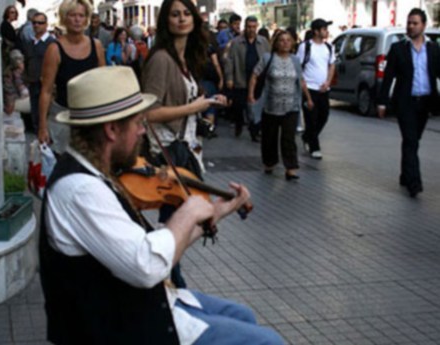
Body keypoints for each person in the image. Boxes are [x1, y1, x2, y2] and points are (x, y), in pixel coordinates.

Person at [39, 65, 285, 345]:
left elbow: (157, 248)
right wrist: (189, 210)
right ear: (111, 130)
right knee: (268, 342)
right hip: (125, 327)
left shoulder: (96, 173)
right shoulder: (80, 190)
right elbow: (147, 265)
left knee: (242, 315)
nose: (143, 132)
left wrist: (215, 212)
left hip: (146, 304)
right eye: (137, 124)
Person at [142, 0, 227, 288]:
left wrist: (207, 103)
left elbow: (186, 102)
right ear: (166, 21)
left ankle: (169, 280)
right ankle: (167, 282)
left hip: (186, 147)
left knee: (177, 220)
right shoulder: (161, 59)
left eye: (185, 14)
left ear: (194, 20)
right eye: (174, 14)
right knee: (174, 222)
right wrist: (194, 108)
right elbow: (149, 112)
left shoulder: (184, 59)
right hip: (169, 152)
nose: (181, 19)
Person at [377, 8, 440, 198]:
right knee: (411, 140)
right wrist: (382, 102)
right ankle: (414, 183)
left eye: (415, 23)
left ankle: (405, 174)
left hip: (425, 102)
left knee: (413, 141)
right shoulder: (398, 49)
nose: (410, 26)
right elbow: (388, 77)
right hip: (405, 103)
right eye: (409, 23)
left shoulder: (434, 48)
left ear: (423, 25)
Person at [38, 0, 105, 154]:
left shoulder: (97, 46)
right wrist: (42, 127)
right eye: (72, 15)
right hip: (62, 116)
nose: (77, 20)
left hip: (90, 116)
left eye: (81, 15)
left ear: (86, 19)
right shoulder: (54, 49)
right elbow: (46, 91)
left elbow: (102, 84)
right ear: (64, 18)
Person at [248, 30, 313, 180]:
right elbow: (254, 75)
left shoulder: (295, 60)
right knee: (270, 137)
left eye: (288, 40)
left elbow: (301, 81)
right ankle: (269, 163)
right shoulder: (267, 58)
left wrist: (308, 98)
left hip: (292, 106)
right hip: (271, 105)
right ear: (276, 43)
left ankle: (291, 168)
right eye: (281, 40)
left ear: (292, 44)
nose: (285, 43)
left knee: (288, 138)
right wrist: (251, 95)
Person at [225, 16, 270, 141]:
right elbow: (230, 61)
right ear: (245, 27)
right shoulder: (236, 42)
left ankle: (254, 131)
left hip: (258, 81)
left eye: (254, 27)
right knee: (239, 106)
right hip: (241, 79)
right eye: (249, 27)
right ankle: (239, 124)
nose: (251, 30)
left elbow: (269, 59)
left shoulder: (263, 42)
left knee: (256, 107)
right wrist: (229, 78)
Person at [297, 18, 335, 160]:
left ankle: (307, 136)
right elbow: (298, 68)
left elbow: (332, 65)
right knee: (311, 119)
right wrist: (305, 90)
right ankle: (314, 147)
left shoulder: (329, 47)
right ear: (316, 31)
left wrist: (328, 82)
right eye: (324, 29)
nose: (326, 32)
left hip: (324, 90)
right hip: (309, 89)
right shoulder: (305, 47)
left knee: (323, 116)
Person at [21, 12, 56, 132]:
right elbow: (27, 61)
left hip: (47, 85)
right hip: (33, 83)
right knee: (35, 115)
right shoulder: (30, 43)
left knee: (46, 116)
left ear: (46, 25)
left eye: (40, 23)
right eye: (34, 23)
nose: (37, 25)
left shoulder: (52, 43)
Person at [2, 49, 29, 115]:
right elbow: (23, 91)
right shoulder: (16, 73)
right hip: (12, 103)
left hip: (11, 101)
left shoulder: (8, 72)